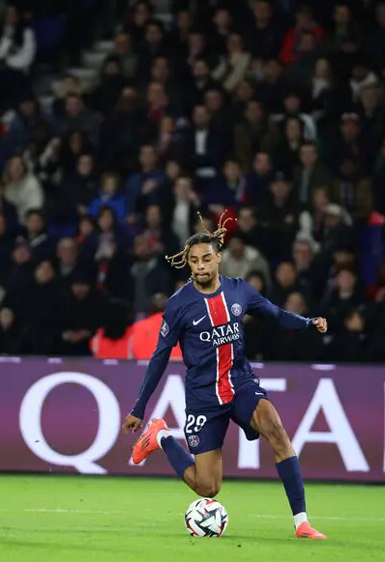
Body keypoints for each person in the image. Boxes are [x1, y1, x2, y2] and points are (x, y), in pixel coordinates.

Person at [121, 215, 329, 540]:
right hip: (204, 397)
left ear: (218, 257)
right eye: (194, 261)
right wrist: (139, 407)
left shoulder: (239, 290)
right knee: (208, 487)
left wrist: (306, 322)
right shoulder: (178, 305)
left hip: (240, 384)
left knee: (276, 430)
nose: (200, 266)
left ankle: (301, 522)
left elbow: (274, 314)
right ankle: (160, 436)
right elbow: (160, 356)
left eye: (206, 258)